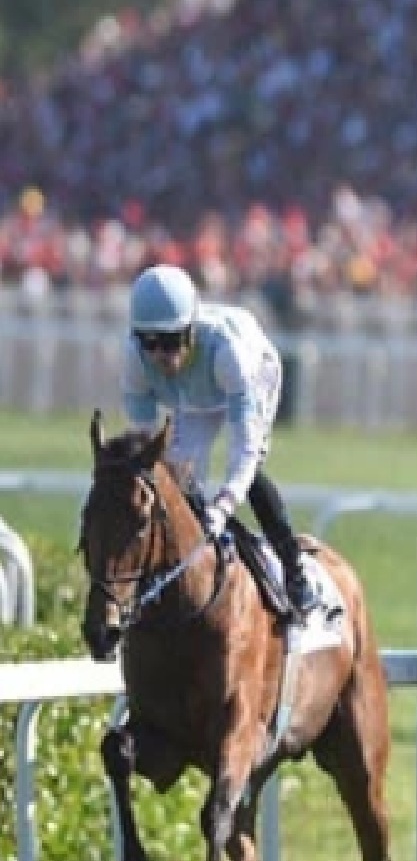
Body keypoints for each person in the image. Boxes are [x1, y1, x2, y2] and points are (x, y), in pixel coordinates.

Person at [121, 264, 319, 616]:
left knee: (249, 472)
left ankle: (293, 570)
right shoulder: (134, 359)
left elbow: (243, 447)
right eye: (150, 342)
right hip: (195, 398)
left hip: (253, 376)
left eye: (170, 341)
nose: (161, 356)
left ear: (191, 331)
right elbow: (145, 451)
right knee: (178, 478)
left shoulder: (228, 353)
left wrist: (224, 504)